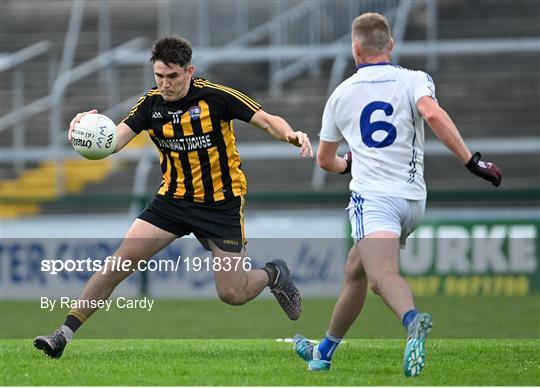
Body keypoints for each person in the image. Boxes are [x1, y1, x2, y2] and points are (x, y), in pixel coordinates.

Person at [34, 35, 313, 358]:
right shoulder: (150, 105)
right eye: (159, 76)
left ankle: (273, 273)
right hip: (172, 201)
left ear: (189, 71)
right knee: (118, 264)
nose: (165, 84)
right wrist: (85, 130)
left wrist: (291, 134)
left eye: (172, 77)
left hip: (220, 203)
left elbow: (267, 121)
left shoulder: (216, 97)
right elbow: (112, 143)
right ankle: (62, 335)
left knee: (232, 293)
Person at [293, 13, 502, 377]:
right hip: (412, 199)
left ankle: (412, 321)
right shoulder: (415, 79)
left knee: (381, 277)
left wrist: (349, 165)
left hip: (373, 200)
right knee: (356, 270)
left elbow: (326, 160)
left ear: (355, 49)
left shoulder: (341, 94)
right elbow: (433, 115)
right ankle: (324, 350)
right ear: (390, 45)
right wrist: (472, 162)